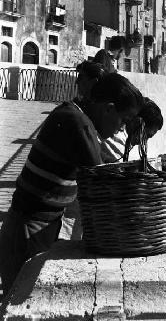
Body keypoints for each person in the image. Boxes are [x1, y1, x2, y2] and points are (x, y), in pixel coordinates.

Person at [0, 73, 146, 297]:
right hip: (29, 228)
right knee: (21, 296)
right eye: (123, 120)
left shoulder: (73, 113)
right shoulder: (78, 124)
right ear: (108, 109)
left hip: (35, 224)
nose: (121, 129)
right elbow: (101, 183)